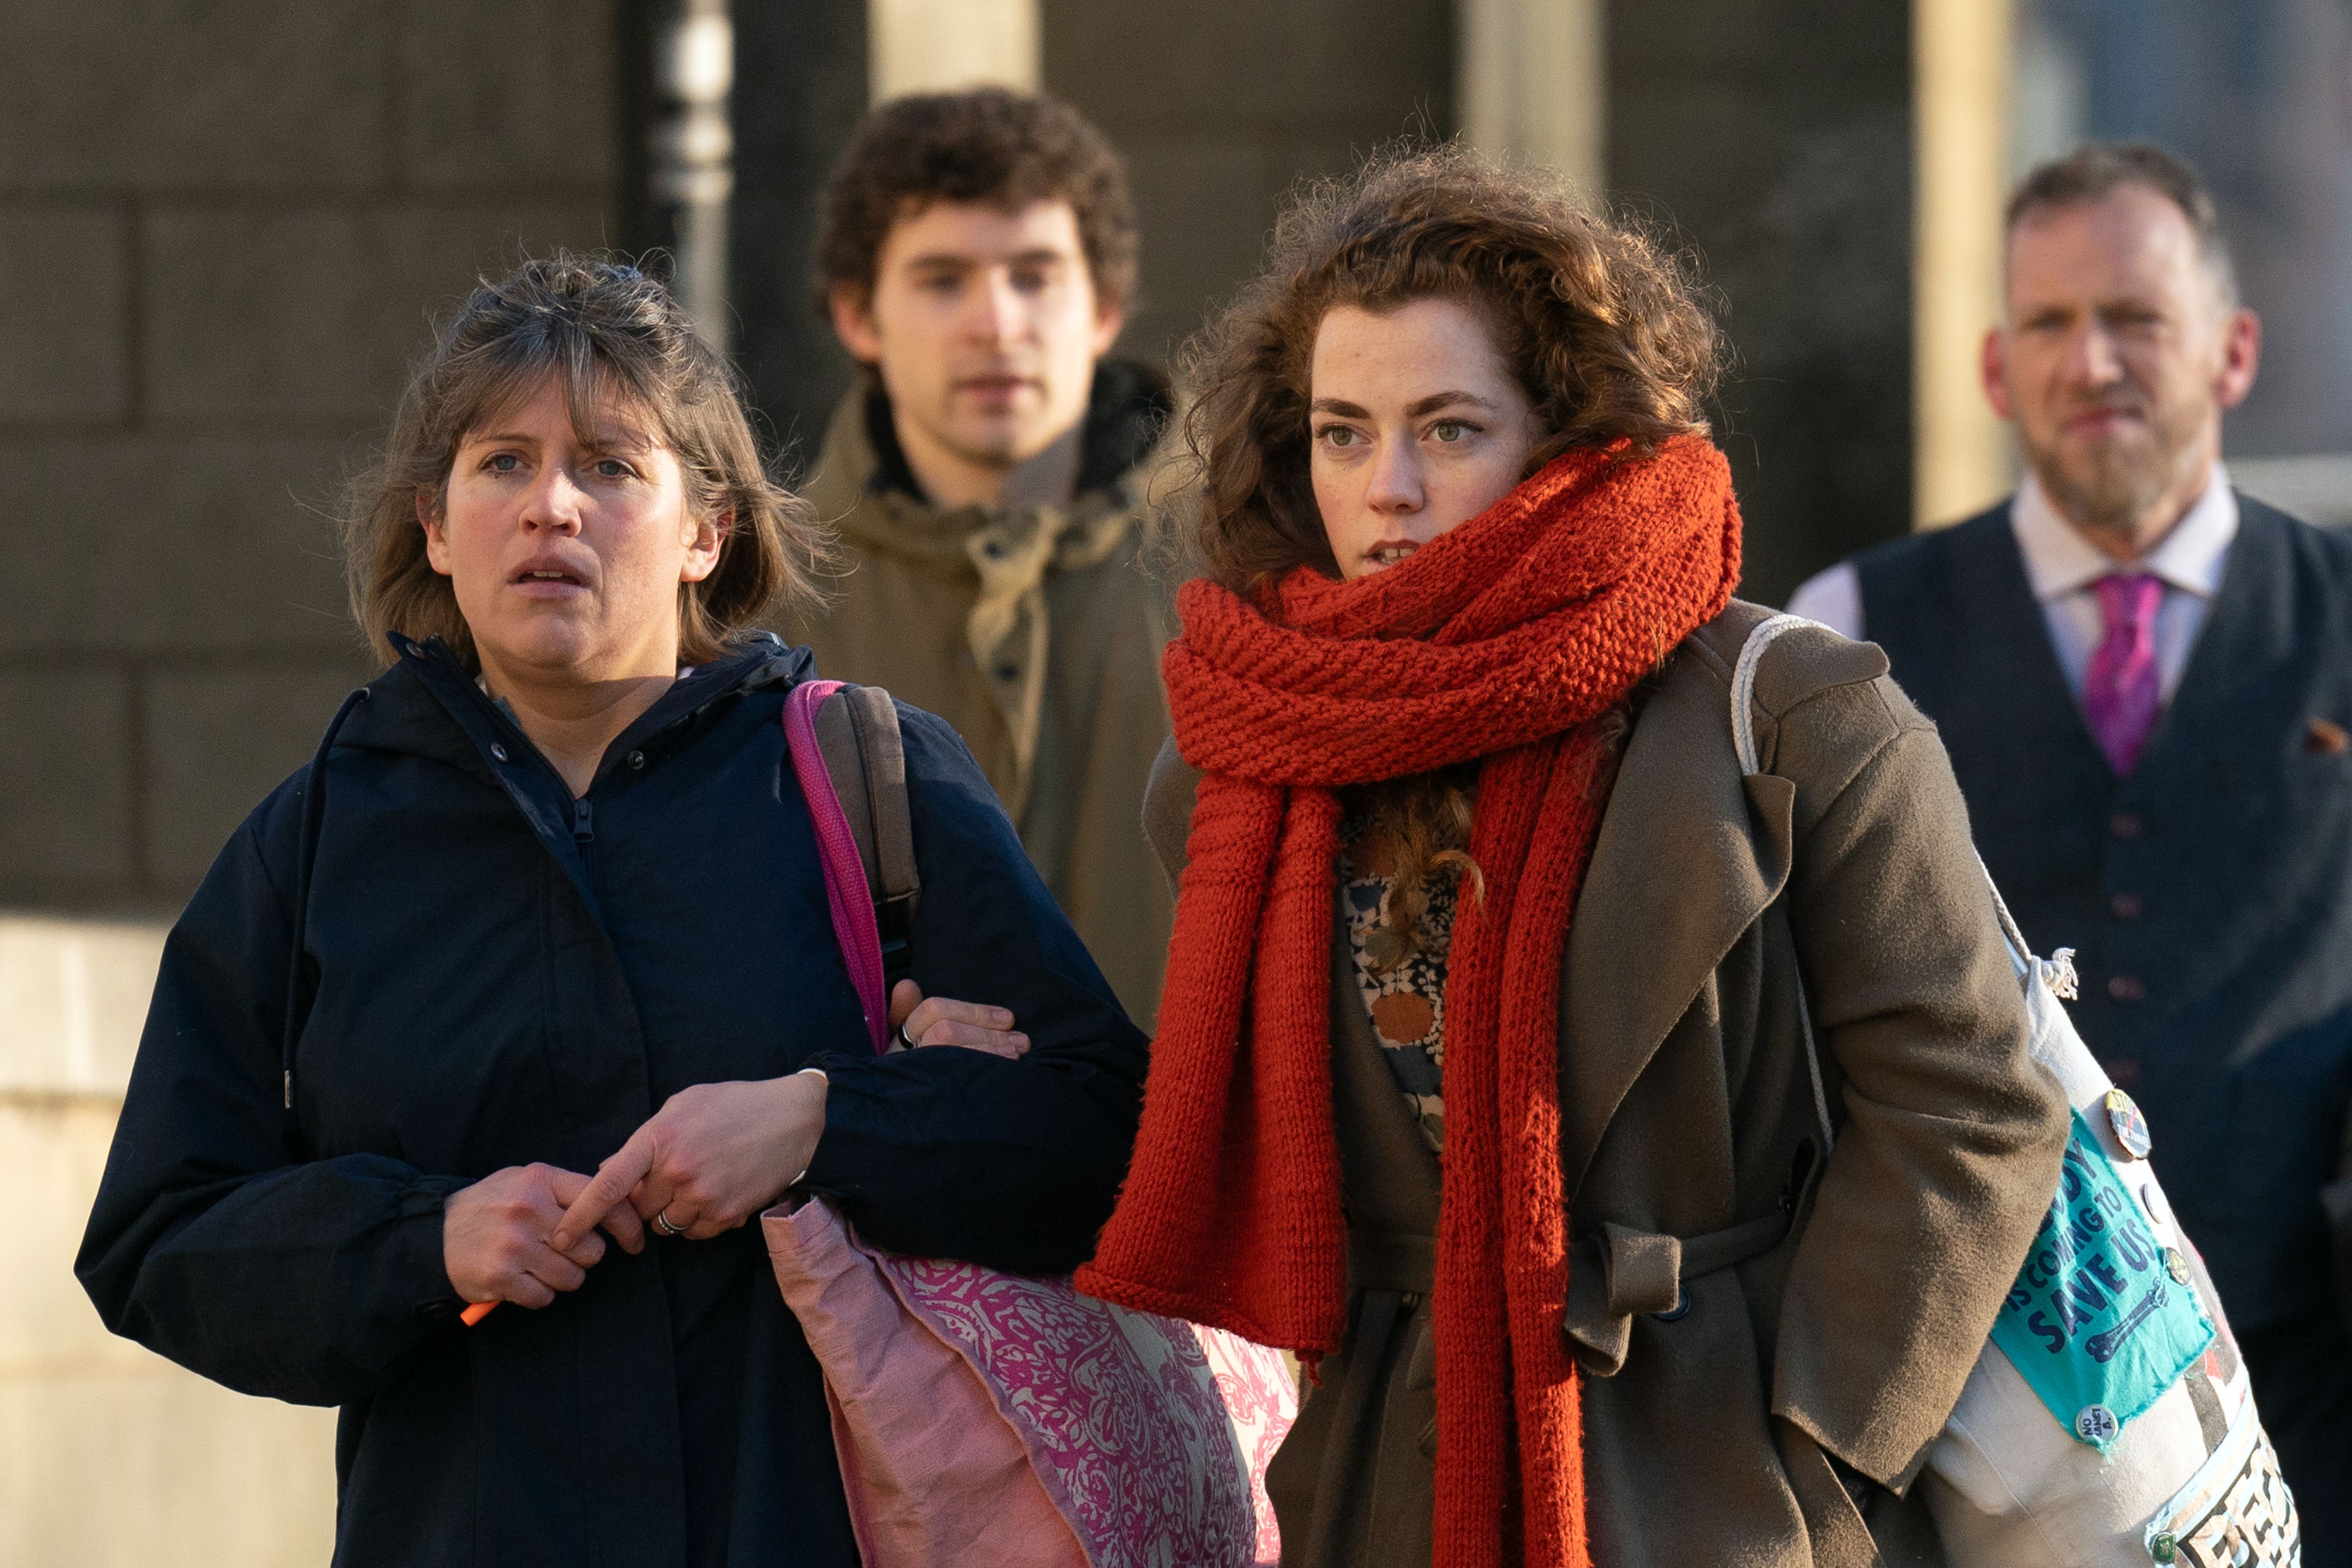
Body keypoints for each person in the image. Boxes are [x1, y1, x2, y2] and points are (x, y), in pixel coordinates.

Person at [1071, 147, 2071, 1566]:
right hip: (1381, 1482)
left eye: (1450, 426)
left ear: (1565, 433)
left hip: (1720, 1476)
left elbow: (1969, 1099)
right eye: (1342, 431)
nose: (1389, 488)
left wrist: (1823, 1442)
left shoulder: (1789, 713)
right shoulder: (1245, 756)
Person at [75, 257, 1149, 1568]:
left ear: (708, 531)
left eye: (609, 466)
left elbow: (1107, 1134)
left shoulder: (870, 777)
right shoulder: (319, 838)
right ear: (433, 523)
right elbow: (157, 1237)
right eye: (503, 465)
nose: (551, 509)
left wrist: (820, 1120)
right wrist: (430, 1237)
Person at [1787, 142, 2352, 1560]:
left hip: (2311, 1395)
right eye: (2048, 323)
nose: (2090, 360)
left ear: (2232, 351)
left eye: (2136, 320)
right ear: (1991, 367)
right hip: (1982, 1432)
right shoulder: (1848, 630)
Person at [795, 86, 1175, 1025]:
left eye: (1035, 274)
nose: (995, 323)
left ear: (1104, 309)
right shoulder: (763, 595)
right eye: (941, 279)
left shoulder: (1244, 560)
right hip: (879, 1160)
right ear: (858, 317)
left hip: (1209, 1156)